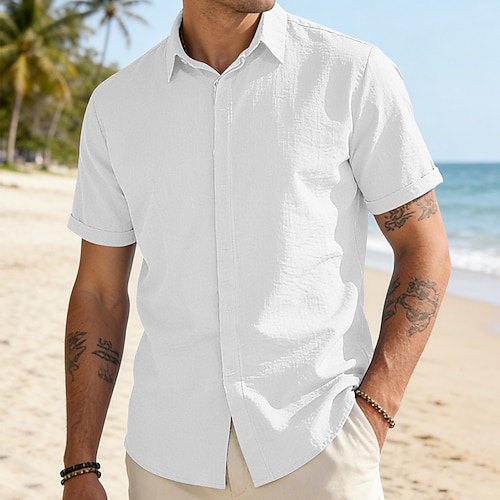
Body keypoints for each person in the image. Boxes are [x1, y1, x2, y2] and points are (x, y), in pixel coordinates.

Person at [62, 1, 450, 498]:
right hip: (166, 460)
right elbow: (98, 292)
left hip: (320, 449)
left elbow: (424, 247)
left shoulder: (353, 73)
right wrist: (79, 463)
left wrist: (374, 412)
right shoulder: (116, 105)